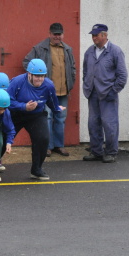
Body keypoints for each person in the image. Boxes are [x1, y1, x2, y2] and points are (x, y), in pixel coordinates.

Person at [23, 22, 76, 157]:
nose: (57, 36)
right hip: (46, 91)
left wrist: (71, 81)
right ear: (49, 34)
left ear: (63, 35)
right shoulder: (39, 48)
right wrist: (36, 80)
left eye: (59, 34)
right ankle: (47, 146)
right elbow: (26, 62)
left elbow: (73, 67)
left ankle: (59, 145)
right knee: (47, 117)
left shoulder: (68, 49)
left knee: (60, 118)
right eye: (54, 34)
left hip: (63, 91)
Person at [7, 58, 64, 180]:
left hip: (36, 115)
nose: (40, 79)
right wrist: (24, 106)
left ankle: (36, 170)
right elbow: (7, 101)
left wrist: (57, 109)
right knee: (2, 139)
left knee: (43, 138)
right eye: (37, 76)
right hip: (15, 114)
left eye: (42, 76)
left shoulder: (48, 85)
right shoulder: (17, 82)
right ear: (29, 74)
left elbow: (52, 101)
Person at [82, 24, 128, 163]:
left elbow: (122, 75)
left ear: (104, 35)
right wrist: (87, 85)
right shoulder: (89, 52)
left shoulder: (115, 51)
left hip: (108, 94)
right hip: (93, 93)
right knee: (93, 123)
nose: (93, 38)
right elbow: (85, 71)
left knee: (109, 124)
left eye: (96, 35)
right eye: (92, 35)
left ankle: (111, 152)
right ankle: (96, 152)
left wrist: (113, 91)